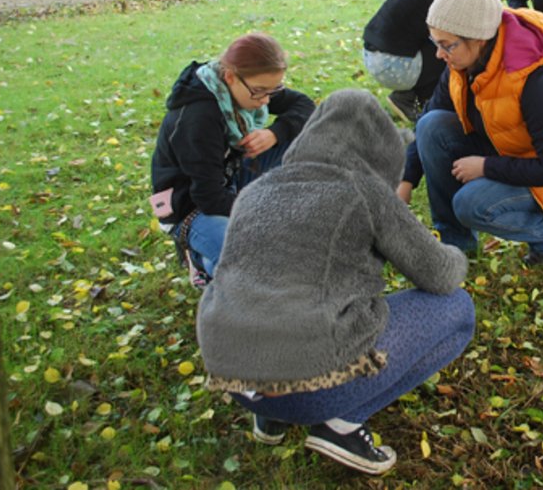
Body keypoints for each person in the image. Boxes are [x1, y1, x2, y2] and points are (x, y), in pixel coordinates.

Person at [196, 90, 473, 476]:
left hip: (236, 384)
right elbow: (441, 275)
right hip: (315, 388)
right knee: (457, 308)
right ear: (379, 152)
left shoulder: (255, 191)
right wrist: (458, 253)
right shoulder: (365, 190)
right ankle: (341, 423)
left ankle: (271, 418)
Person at [398, 0, 543, 264]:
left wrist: (485, 167)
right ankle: (456, 245)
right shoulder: (463, 61)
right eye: (435, 42)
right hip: (509, 150)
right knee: (431, 126)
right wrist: (406, 180)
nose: (438, 54)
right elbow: (430, 115)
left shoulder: (537, 79)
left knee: (470, 204)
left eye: (447, 45)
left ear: (479, 39)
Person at [151, 33, 314, 284]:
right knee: (248, 265)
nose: (266, 100)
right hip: (192, 207)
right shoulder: (198, 119)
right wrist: (267, 212)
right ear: (230, 77)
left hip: (231, 177)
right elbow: (208, 198)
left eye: (273, 90)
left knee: (305, 135)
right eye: (260, 92)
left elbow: (303, 104)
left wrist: (274, 133)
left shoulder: (248, 88)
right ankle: (200, 259)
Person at [363, 0, 497, 121]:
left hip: (373, 56)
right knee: (453, 49)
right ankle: (417, 102)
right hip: (391, 64)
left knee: (445, 43)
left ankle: (412, 95)